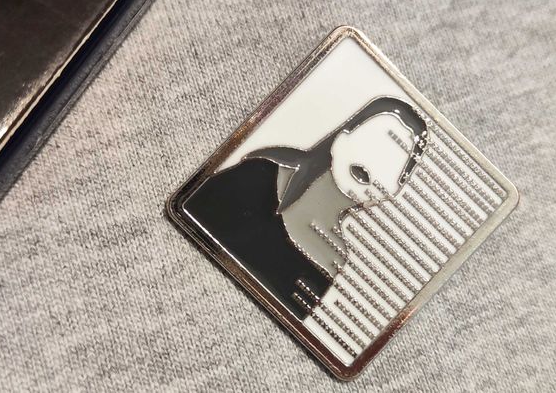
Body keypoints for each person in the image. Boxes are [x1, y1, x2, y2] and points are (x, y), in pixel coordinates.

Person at [183, 97, 427, 319]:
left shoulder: (334, 261)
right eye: (370, 140)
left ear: (395, 189)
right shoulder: (259, 172)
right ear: (342, 136)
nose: (370, 162)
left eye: (390, 158)